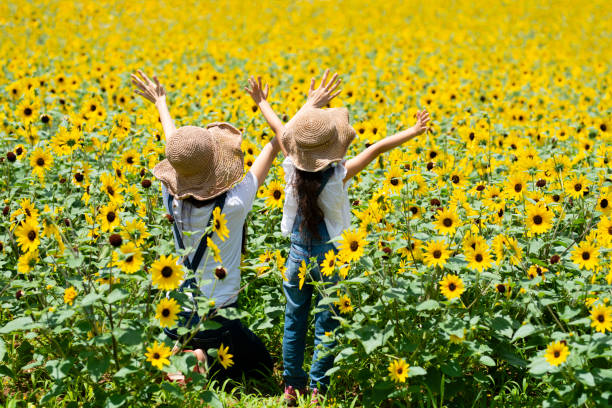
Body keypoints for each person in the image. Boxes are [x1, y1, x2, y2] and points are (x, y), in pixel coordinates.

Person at [131, 69, 340, 386]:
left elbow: (177, 152)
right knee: (258, 362)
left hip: (176, 315)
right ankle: (198, 358)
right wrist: (309, 106)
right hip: (220, 319)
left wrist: (161, 104)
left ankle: (185, 352)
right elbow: (280, 145)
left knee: (221, 347)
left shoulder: (170, 197)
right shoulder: (234, 205)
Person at [277, 71, 430, 405]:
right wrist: (413, 131)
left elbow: (283, 131)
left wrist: (266, 102)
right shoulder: (336, 175)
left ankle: (291, 386)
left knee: (294, 319)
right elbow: (374, 149)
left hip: (297, 255)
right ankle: (318, 389)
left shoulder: (289, 169)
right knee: (327, 321)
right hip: (329, 255)